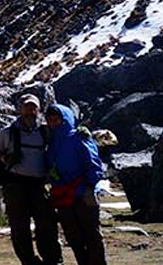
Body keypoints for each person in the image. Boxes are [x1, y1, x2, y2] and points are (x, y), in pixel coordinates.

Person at [0, 94, 62, 265]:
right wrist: (4, 158)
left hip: (38, 185)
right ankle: (29, 261)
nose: (30, 111)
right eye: (27, 107)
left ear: (39, 110)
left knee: (47, 224)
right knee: (19, 227)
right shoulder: (8, 132)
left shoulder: (45, 131)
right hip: (15, 185)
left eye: (33, 108)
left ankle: (52, 260)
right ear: (19, 109)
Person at [46, 104, 108, 265]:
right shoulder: (51, 142)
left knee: (91, 235)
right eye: (50, 120)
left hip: (82, 193)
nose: (53, 123)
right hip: (63, 196)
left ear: (65, 119)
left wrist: (90, 186)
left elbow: (93, 162)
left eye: (56, 119)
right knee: (73, 236)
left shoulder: (79, 137)